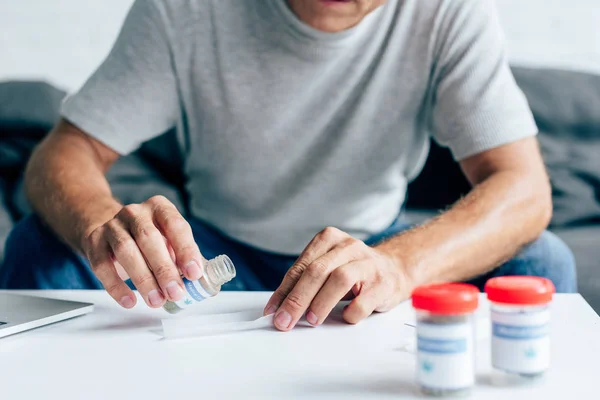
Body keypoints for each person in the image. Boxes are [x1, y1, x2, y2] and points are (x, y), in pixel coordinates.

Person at [0, 0, 576, 332]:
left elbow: (523, 187)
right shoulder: (185, 8)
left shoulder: (448, 10)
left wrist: (400, 265)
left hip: (372, 250)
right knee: (43, 246)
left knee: (539, 259)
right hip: (215, 253)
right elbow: (65, 150)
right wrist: (103, 221)